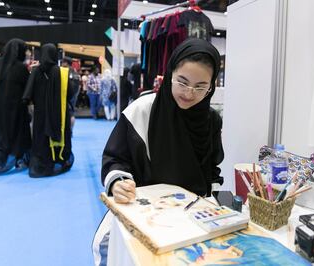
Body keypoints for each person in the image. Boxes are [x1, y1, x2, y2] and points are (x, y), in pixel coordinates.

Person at [92, 38, 224, 266]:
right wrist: (118, 183)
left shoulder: (210, 120)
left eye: (200, 86)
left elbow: (211, 171)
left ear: (211, 86)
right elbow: (115, 158)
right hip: (143, 213)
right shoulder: (142, 110)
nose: (189, 93)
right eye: (182, 82)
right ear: (170, 73)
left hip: (192, 218)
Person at [23, 43, 75, 177]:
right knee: (60, 135)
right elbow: (70, 93)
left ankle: (41, 160)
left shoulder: (35, 71)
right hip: (59, 113)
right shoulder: (62, 72)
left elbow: (27, 95)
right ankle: (59, 159)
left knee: (40, 138)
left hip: (40, 114)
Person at [0, 39, 31, 173]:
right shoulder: (20, 67)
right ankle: (19, 159)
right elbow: (28, 89)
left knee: (0, 133)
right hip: (16, 109)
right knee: (19, 133)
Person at [62, 56, 80, 130]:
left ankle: (67, 129)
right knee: (71, 113)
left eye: (63, 62)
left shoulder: (64, 71)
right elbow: (78, 85)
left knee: (67, 113)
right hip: (74, 95)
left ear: (66, 63)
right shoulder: (75, 72)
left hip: (66, 95)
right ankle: (70, 130)